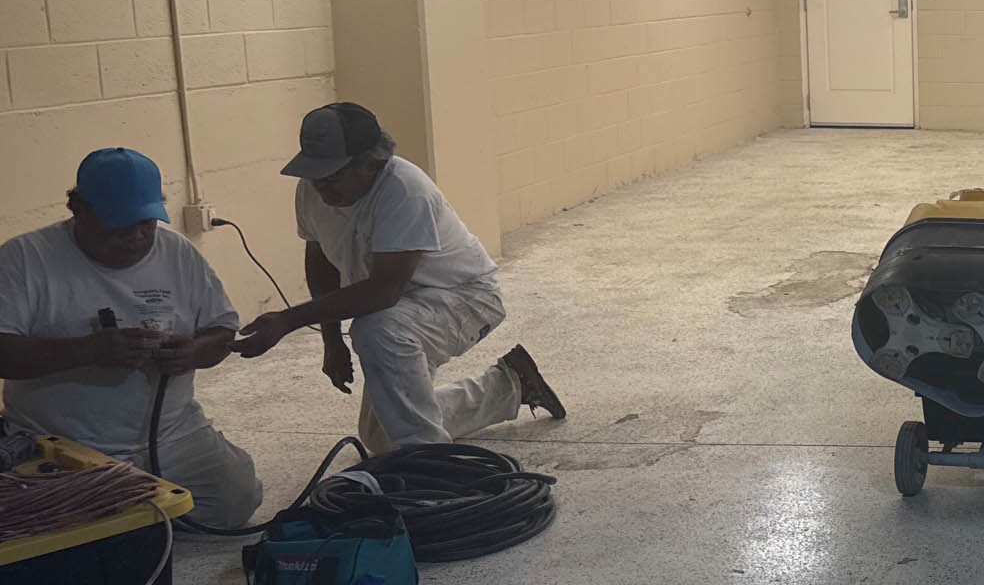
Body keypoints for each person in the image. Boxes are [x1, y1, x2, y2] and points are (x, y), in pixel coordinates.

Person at [235, 102, 563, 450]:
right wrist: (331, 341)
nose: (321, 188)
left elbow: (382, 292)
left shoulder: (404, 191)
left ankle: (426, 461)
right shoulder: (312, 190)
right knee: (382, 437)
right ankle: (512, 384)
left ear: (371, 163)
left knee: (377, 330)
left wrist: (288, 320)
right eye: (315, 174)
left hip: (464, 298)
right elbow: (320, 262)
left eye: (332, 175)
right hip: (399, 309)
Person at [0, 148, 262, 528]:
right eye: (119, 225)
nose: (135, 237)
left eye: (146, 224)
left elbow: (222, 329)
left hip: (173, 433)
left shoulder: (177, 253)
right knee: (58, 535)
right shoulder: (25, 258)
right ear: (78, 209)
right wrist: (85, 350)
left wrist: (193, 352)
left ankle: (138, 517)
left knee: (236, 502)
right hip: (63, 443)